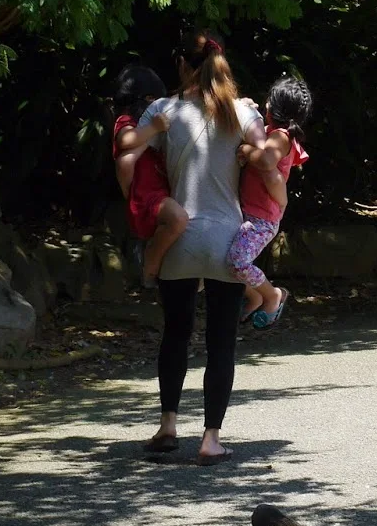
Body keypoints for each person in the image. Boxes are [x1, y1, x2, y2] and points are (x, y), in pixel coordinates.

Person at [138, 30, 265, 466]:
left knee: (175, 332)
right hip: (227, 237)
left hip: (180, 237)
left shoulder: (163, 111)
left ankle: (169, 426)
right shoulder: (242, 111)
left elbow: (133, 156)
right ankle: (211, 439)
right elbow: (264, 150)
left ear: (181, 65)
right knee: (221, 342)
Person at [231, 74, 312, 328]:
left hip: (262, 218)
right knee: (230, 259)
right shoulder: (271, 132)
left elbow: (266, 162)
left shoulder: (282, 137)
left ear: (271, 106)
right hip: (250, 212)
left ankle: (271, 295)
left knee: (238, 261)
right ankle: (254, 296)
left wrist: (246, 151)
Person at [111, 65, 188, 283]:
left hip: (162, 192)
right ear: (147, 98)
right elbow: (125, 140)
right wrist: (153, 128)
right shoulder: (126, 121)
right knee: (178, 219)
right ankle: (150, 266)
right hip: (146, 197)